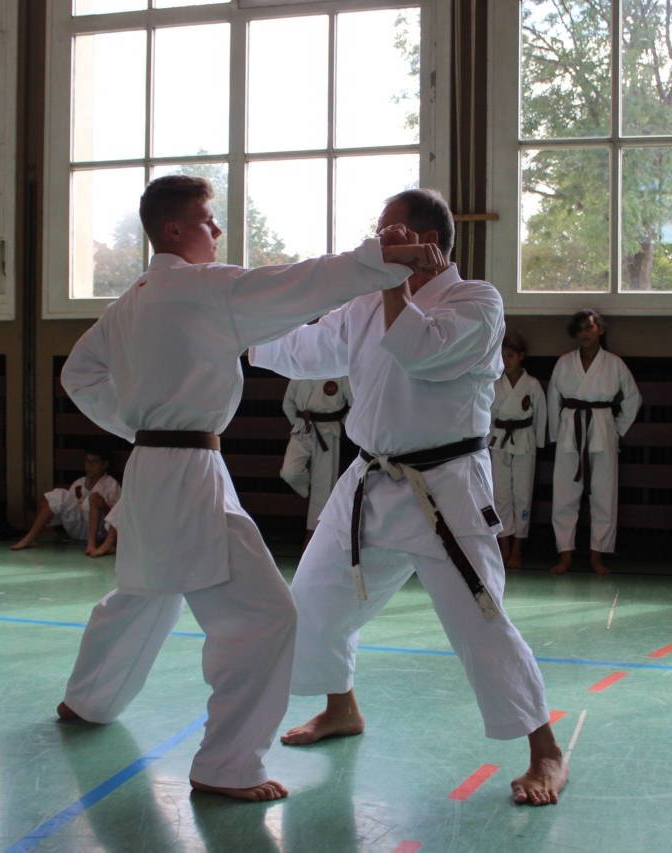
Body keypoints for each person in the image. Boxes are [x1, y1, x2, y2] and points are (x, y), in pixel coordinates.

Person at [54, 174, 446, 804]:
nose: (217, 230)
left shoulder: (130, 301)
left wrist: (139, 423)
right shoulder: (203, 287)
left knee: (144, 592)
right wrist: (380, 259)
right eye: (208, 220)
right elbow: (301, 281)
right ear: (174, 229)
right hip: (187, 472)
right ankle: (227, 763)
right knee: (266, 618)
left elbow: (79, 373)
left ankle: (87, 699)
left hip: (149, 465)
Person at [249, 188, 568, 807]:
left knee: (480, 622)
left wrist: (394, 282)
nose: (378, 244)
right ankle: (341, 707)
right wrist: (245, 336)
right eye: (378, 234)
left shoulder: (477, 302)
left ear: (429, 242)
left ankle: (545, 750)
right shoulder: (369, 302)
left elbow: (420, 351)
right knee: (313, 597)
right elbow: (309, 349)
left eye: (389, 234)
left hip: (445, 489)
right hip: (369, 482)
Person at [547, 310, 641, 576]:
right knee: (564, 496)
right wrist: (556, 434)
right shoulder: (565, 362)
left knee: (603, 496)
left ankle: (597, 556)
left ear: (600, 329)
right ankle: (565, 555)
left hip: (602, 429)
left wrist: (616, 430)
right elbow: (553, 398)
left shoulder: (614, 363)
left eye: (588, 327)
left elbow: (633, 398)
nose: (584, 334)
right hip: (570, 432)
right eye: (579, 329)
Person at [489, 334, 546, 570]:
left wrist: (538, 443)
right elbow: (488, 417)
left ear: (521, 356)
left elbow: (541, 415)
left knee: (522, 494)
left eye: (511, 355)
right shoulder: (494, 383)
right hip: (499, 441)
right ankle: (504, 548)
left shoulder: (531, 384)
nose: (506, 361)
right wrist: (486, 442)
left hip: (524, 441)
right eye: (502, 357)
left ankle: (517, 549)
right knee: (501, 494)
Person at [280, 376, 353, 553]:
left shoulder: (339, 373)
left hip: (328, 431)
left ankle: (314, 536)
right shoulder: (300, 372)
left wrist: (344, 423)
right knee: (290, 472)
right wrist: (298, 422)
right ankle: (309, 490)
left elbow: (355, 403)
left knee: (323, 486)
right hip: (302, 429)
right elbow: (288, 403)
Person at [12, 450, 121, 554]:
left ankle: (91, 543)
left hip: (100, 532)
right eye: (87, 461)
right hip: (77, 528)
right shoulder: (79, 482)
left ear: (105, 464)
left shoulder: (112, 485)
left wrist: (104, 506)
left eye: (94, 462)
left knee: (93, 498)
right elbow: (69, 505)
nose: (89, 466)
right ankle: (30, 537)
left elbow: (117, 516)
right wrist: (51, 502)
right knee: (61, 494)